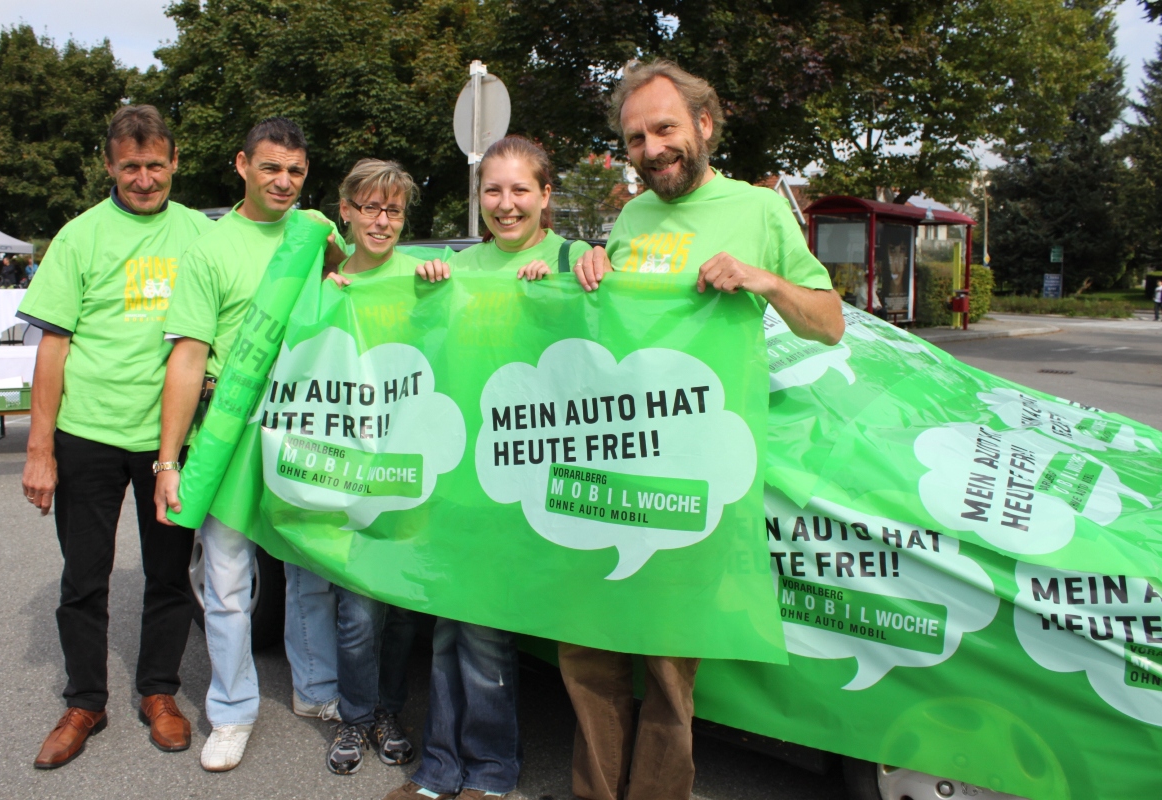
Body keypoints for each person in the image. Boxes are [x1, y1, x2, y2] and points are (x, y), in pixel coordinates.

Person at [566, 60, 844, 800]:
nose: (651, 148)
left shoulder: (757, 211)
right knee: (588, 650)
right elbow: (617, 326)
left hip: (692, 475)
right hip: (615, 459)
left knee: (667, 666)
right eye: (635, 138)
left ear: (703, 124)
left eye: (664, 129)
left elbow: (829, 323)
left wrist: (764, 280)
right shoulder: (631, 217)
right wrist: (591, 267)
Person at [383, 135, 590, 800]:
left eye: (520, 189)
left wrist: (560, 297)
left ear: (546, 195)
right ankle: (444, 768)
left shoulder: (572, 259)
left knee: (483, 628)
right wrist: (394, 292)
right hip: (457, 474)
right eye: (493, 190)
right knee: (449, 622)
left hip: (522, 476)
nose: (506, 203)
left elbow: (602, 348)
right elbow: (417, 338)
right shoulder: (459, 265)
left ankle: (489, 771)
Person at [17, 105, 213, 770]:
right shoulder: (79, 237)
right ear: (108, 165)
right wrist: (39, 450)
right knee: (83, 577)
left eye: (156, 164)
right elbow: (52, 347)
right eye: (130, 166)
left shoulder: (200, 234)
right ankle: (84, 703)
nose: (144, 178)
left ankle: (159, 692)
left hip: (168, 439)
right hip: (88, 433)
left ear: (175, 162)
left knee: (168, 575)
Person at [153, 117, 339, 772]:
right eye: (271, 168)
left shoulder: (317, 232)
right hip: (230, 433)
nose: (284, 182)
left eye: (295, 171)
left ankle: (316, 690)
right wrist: (168, 460)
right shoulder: (210, 250)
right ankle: (231, 712)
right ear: (241, 165)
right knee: (229, 582)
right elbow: (187, 357)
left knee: (310, 570)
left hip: (303, 430)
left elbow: (360, 284)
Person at [286, 159, 422, 776]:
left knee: (402, 611)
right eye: (370, 207)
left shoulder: (422, 277)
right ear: (346, 211)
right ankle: (356, 715)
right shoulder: (327, 287)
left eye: (393, 209)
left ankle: (387, 711)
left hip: (413, 473)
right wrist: (323, 297)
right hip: (349, 474)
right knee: (358, 612)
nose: (382, 220)